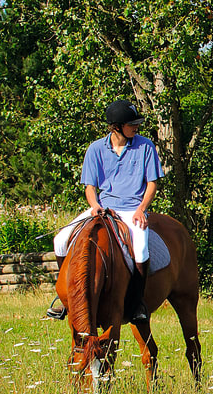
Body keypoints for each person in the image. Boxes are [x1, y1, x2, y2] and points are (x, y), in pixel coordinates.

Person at [46, 100, 164, 321]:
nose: (136, 127)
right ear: (116, 127)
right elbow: (90, 187)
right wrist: (95, 206)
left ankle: (138, 303)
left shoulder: (145, 146)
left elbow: (152, 184)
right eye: (132, 124)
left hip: (131, 210)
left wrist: (142, 209)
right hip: (103, 208)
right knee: (60, 240)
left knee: (140, 248)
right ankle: (65, 298)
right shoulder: (95, 149)